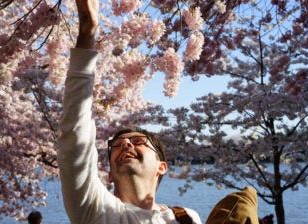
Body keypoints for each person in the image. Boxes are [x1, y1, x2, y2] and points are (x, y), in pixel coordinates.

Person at [56, 0, 202, 223]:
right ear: (111, 175)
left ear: (161, 166)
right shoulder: (96, 211)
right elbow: (75, 140)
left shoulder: (186, 217)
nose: (125, 144)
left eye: (138, 141)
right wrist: (88, 31)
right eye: (115, 146)